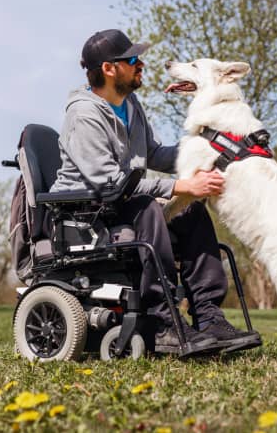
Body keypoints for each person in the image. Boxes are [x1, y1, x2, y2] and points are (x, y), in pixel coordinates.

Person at [50, 29, 260, 355]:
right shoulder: (84, 114)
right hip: (86, 212)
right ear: (109, 68)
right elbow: (108, 182)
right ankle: (163, 322)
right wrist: (182, 184)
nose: (141, 64)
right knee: (150, 207)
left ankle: (208, 316)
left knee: (190, 210)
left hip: (122, 201)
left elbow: (155, 155)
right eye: (132, 59)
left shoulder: (131, 104)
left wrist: (209, 148)